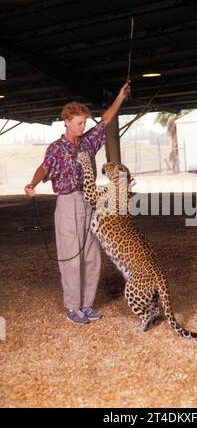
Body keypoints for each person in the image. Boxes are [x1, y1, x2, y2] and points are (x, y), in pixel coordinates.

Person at [24, 82, 131, 325]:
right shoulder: (56, 148)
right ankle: (73, 307)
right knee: (71, 258)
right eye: (79, 123)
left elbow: (105, 120)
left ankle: (86, 305)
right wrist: (32, 183)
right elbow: (44, 168)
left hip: (89, 204)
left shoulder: (87, 143)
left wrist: (120, 98)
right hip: (67, 203)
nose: (83, 126)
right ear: (67, 121)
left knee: (92, 257)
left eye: (84, 122)